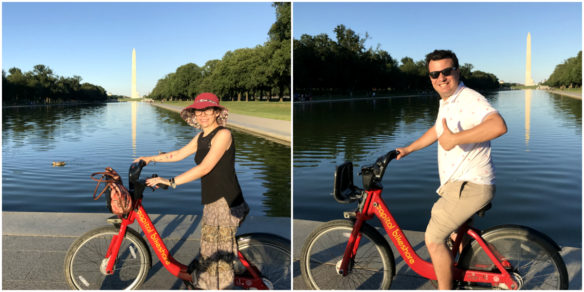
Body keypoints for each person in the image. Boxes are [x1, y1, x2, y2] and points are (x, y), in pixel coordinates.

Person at [395, 50, 507, 290]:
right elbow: (437, 131)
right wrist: (408, 149)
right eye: (435, 74)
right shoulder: (448, 102)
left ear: (458, 71)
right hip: (458, 185)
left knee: (433, 239)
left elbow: (498, 125)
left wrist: (455, 139)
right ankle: (501, 265)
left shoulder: (469, 98)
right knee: (457, 233)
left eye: (447, 71)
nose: (441, 78)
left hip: (470, 185)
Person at [134, 92, 249, 289]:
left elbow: (205, 167)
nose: (202, 115)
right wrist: (149, 158)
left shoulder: (223, 134)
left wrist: (170, 182)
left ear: (216, 113)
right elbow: (178, 154)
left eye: (207, 111)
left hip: (225, 203)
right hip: (213, 201)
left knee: (216, 263)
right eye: (198, 111)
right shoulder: (201, 136)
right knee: (210, 254)